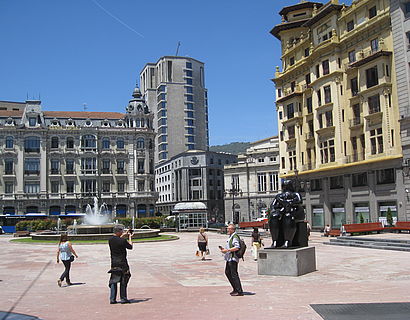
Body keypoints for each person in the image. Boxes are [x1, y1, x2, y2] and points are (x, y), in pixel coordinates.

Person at [108, 225, 133, 304]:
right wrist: (130, 237)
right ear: (118, 232)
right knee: (123, 279)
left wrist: (124, 234)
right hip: (122, 262)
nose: (122, 232)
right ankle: (123, 298)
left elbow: (118, 238)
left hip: (114, 262)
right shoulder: (122, 241)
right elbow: (130, 246)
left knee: (113, 280)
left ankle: (112, 299)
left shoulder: (110, 240)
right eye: (121, 231)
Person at [220, 224, 243, 296]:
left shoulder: (235, 236)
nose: (227, 230)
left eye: (229, 229)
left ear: (232, 229)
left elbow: (237, 247)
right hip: (229, 258)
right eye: (227, 229)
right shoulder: (231, 236)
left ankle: (239, 291)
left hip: (233, 258)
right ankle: (235, 288)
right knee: (227, 272)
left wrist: (227, 250)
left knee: (234, 274)